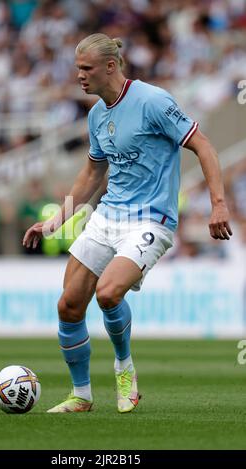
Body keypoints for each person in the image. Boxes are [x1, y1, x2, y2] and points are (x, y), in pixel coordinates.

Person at [23, 33, 232, 413]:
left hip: (151, 219)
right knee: (69, 305)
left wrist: (218, 204)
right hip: (107, 216)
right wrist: (57, 219)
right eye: (77, 69)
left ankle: (125, 370)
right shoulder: (96, 115)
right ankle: (81, 396)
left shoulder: (153, 101)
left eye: (86, 69)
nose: (79, 76)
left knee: (107, 293)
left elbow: (204, 145)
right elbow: (91, 173)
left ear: (110, 66)